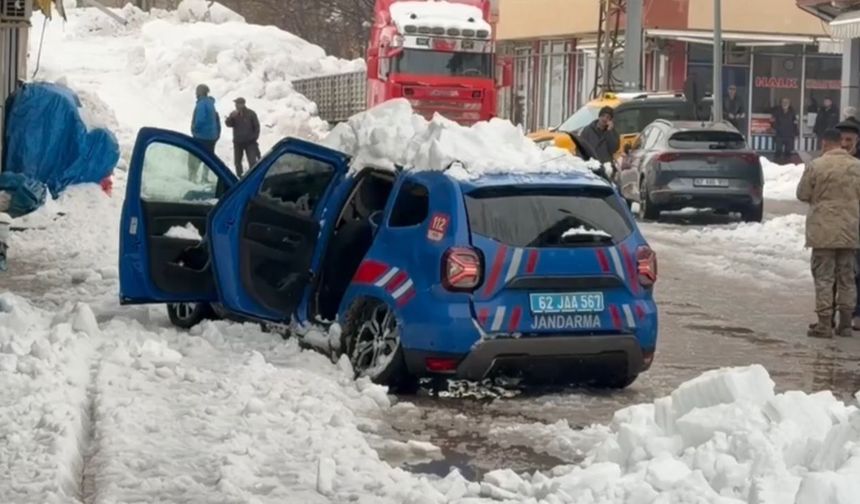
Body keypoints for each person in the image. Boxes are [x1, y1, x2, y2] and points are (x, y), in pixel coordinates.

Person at [796, 128, 860, 339]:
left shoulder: (817, 165)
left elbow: (802, 193)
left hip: (823, 231)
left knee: (824, 278)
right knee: (847, 278)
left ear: (824, 144)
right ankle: (845, 325)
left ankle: (824, 323)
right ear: (840, 143)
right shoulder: (857, 166)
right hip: (850, 231)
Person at [189, 84, 221, 183]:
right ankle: (205, 177)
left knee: (195, 156)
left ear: (200, 92)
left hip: (202, 136)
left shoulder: (202, 104)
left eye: (197, 91)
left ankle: (192, 177)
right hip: (212, 136)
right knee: (208, 158)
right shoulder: (211, 103)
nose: (195, 93)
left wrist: (194, 129)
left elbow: (200, 119)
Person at [579, 106, 620, 181]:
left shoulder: (612, 132)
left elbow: (614, 148)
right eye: (603, 116)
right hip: (591, 165)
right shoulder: (587, 130)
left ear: (610, 120)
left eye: (608, 117)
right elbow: (581, 147)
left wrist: (609, 132)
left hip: (606, 168)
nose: (605, 119)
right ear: (599, 117)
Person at [225, 98, 261, 177]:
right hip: (238, 142)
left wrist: (254, 138)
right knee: (237, 162)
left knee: (252, 162)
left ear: (243, 104)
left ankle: (253, 176)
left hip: (250, 142)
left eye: (237, 103)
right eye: (236, 104)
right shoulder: (234, 114)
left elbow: (257, 127)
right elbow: (228, 124)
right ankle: (239, 177)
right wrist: (230, 118)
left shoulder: (251, 113)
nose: (236, 105)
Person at [772, 98, 798, 163]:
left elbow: (795, 123)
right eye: (783, 102)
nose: (785, 103)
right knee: (778, 151)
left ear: (789, 104)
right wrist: (776, 128)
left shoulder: (792, 111)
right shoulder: (777, 111)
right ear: (781, 103)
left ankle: (787, 165)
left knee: (788, 152)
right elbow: (772, 121)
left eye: (787, 102)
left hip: (789, 135)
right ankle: (777, 165)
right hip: (779, 135)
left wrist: (795, 133)